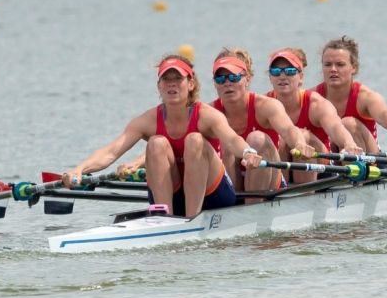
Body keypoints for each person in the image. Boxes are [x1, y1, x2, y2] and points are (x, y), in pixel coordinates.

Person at [62, 54, 262, 218]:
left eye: (178, 79)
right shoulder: (147, 120)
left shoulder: (207, 116)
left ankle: (193, 219)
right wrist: (79, 169)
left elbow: (232, 139)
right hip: (174, 193)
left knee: (194, 139)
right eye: (166, 79)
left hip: (214, 194)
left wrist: (248, 152)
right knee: (156, 143)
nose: (171, 84)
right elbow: (110, 152)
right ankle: (163, 219)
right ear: (159, 86)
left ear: (191, 84)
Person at [210, 48, 313, 197]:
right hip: (232, 185)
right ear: (215, 83)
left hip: (270, 180)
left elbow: (288, 129)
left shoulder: (266, 105)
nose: (227, 83)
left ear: (247, 78)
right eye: (220, 79)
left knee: (256, 138)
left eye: (233, 77)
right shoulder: (209, 112)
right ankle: (229, 204)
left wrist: (300, 144)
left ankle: (251, 206)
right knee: (224, 141)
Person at [266, 48, 362, 182]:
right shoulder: (264, 104)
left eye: (290, 71)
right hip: (282, 166)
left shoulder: (316, 104)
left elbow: (335, 127)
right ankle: (280, 189)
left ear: (301, 77)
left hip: (320, 167)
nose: (282, 76)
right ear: (270, 77)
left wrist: (349, 143)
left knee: (303, 136)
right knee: (279, 141)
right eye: (276, 72)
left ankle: (304, 194)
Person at [313, 36, 387, 155]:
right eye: (328, 64)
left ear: (353, 67)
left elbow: (383, 114)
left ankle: (355, 169)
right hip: (329, 160)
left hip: (369, 160)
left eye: (340, 64)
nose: (333, 69)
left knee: (348, 124)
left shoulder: (366, 97)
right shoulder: (313, 97)